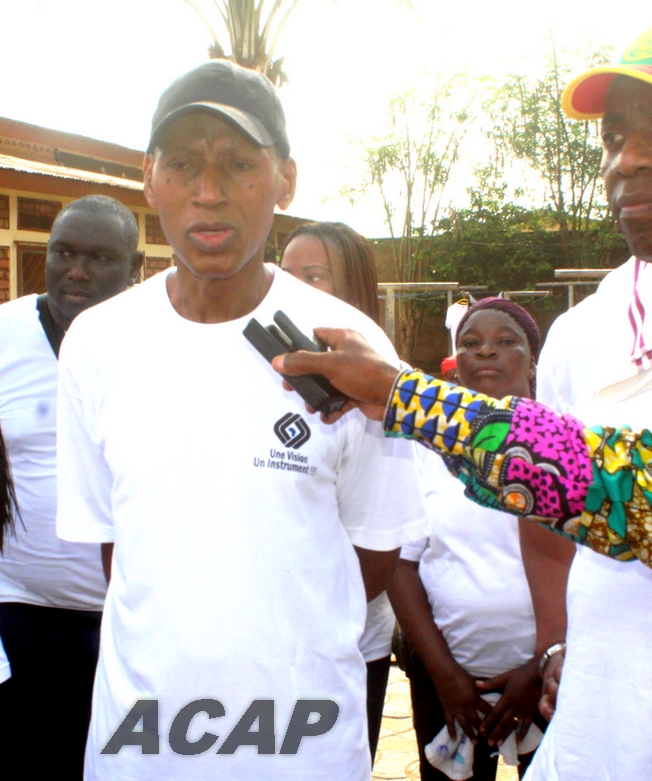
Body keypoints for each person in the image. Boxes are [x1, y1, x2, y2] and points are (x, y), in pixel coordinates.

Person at [275, 12, 652, 779]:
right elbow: (556, 514)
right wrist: (557, 642)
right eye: (614, 135)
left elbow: (640, 489)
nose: (629, 160)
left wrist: (402, 395)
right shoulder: (590, 330)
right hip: (585, 749)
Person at [55, 60, 426, 781]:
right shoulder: (96, 343)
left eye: (238, 164)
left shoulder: (348, 345)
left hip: (302, 743)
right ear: (148, 175)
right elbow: (115, 548)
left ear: (286, 178)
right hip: (143, 739)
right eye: (184, 164)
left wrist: (284, 634)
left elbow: (376, 551)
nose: (208, 193)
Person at [0, 194, 143, 779]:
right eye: (63, 252)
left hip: (131, 626)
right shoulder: (4, 335)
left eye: (99, 257)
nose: (76, 270)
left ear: (134, 269)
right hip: (20, 616)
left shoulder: (159, 346)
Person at [389, 297, 544, 781]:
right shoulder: (426, 449)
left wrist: (541, 664)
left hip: (549, 683)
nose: (486, 353)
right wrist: (444, 675)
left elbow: (595, 570)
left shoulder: (569, 448)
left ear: (533, 361)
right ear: (456, 363)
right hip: (450, 685)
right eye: (471, 344)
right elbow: (401, 565)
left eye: (505, 342)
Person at [280, 220, 393, 765]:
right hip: (268, 645)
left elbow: (380, 549)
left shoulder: (382, 391)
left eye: (314, 277)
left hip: (344, 647)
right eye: (285, 274)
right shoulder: (268, 371)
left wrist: (316, 623)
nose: (292, 289)